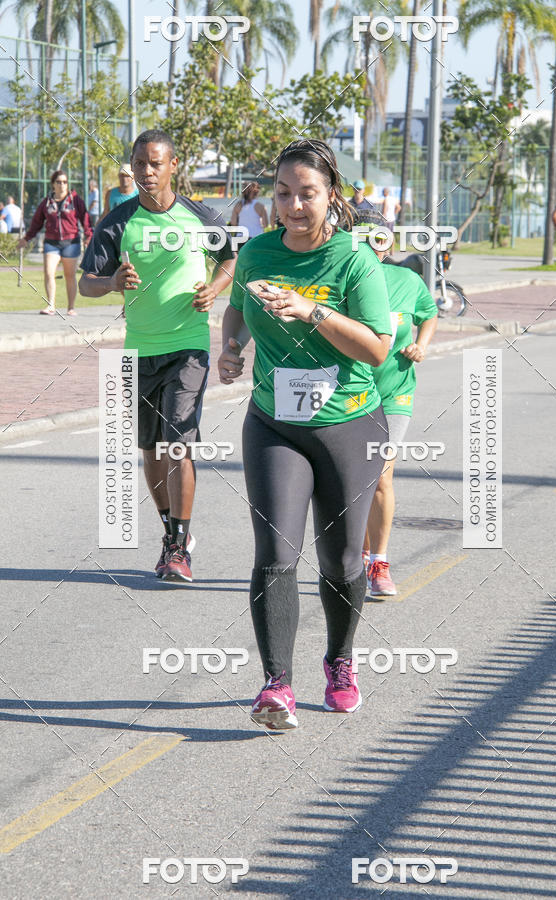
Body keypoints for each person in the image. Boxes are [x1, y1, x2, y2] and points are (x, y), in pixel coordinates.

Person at [217, 139, 392, 730]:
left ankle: (340, 661)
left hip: (349, 423)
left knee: (341, 561)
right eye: (284, 193)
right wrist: (232, 347)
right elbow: (237, 308)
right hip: (274, 423)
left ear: (331, 197)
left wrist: (311, 311)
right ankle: (276, 686)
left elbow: (376, 346)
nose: (294, 205)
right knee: (275, 554)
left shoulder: (354, 261)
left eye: (307, 194)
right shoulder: (258, 252)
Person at [79, 129, 236, 583]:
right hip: (140, 349)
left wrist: (215, 288)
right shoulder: (118, 222)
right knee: (150, 449)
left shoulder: (199, 216)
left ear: (173, 165)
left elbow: (230, 257)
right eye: (140, 164)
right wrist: (110, 283)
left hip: (188, 346)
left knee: (176, 441)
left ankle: (178, 546)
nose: (147, 172)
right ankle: (172, 532)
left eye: (155, 163)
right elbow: (88, 280)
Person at [352, 210, 438, 597]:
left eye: (380, 237)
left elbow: (430, 313)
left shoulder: (407, 279)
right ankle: (360, 553)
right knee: (355, 479)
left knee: (382, 472)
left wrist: (421, 344)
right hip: (350, 393)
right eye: (363, 236)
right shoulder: (343, 277)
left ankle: (379, 562)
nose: (373, 244)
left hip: (395, 392)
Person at [18, 171, 92, 316]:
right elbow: (37, 222)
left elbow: (85, 218)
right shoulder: (46, 202)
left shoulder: (75, 200)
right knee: (48, 272)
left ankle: (71, 307)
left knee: (69, 275)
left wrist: (88, 236)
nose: (62, 185)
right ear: (53, 184)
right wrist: (26, 238)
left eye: (65, 182)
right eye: (58, 182)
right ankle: (50, 305)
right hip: (51, 243)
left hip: (71, 243)